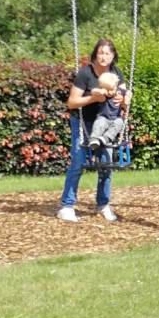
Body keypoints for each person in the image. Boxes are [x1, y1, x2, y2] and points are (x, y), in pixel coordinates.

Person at [58, 39, 130, 222]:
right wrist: (92, 98)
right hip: (83, 123)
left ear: (113, 56)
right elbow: (72, 102)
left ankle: (103, 204)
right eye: (101, 53)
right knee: (79, 161)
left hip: (106, 122)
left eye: (108, 53)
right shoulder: (85, 74)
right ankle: (67, 206)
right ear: (95, 55)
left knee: (106, 164)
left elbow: (122, 101)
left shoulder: (116, 73)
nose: (104, 57)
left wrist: (124, 101)